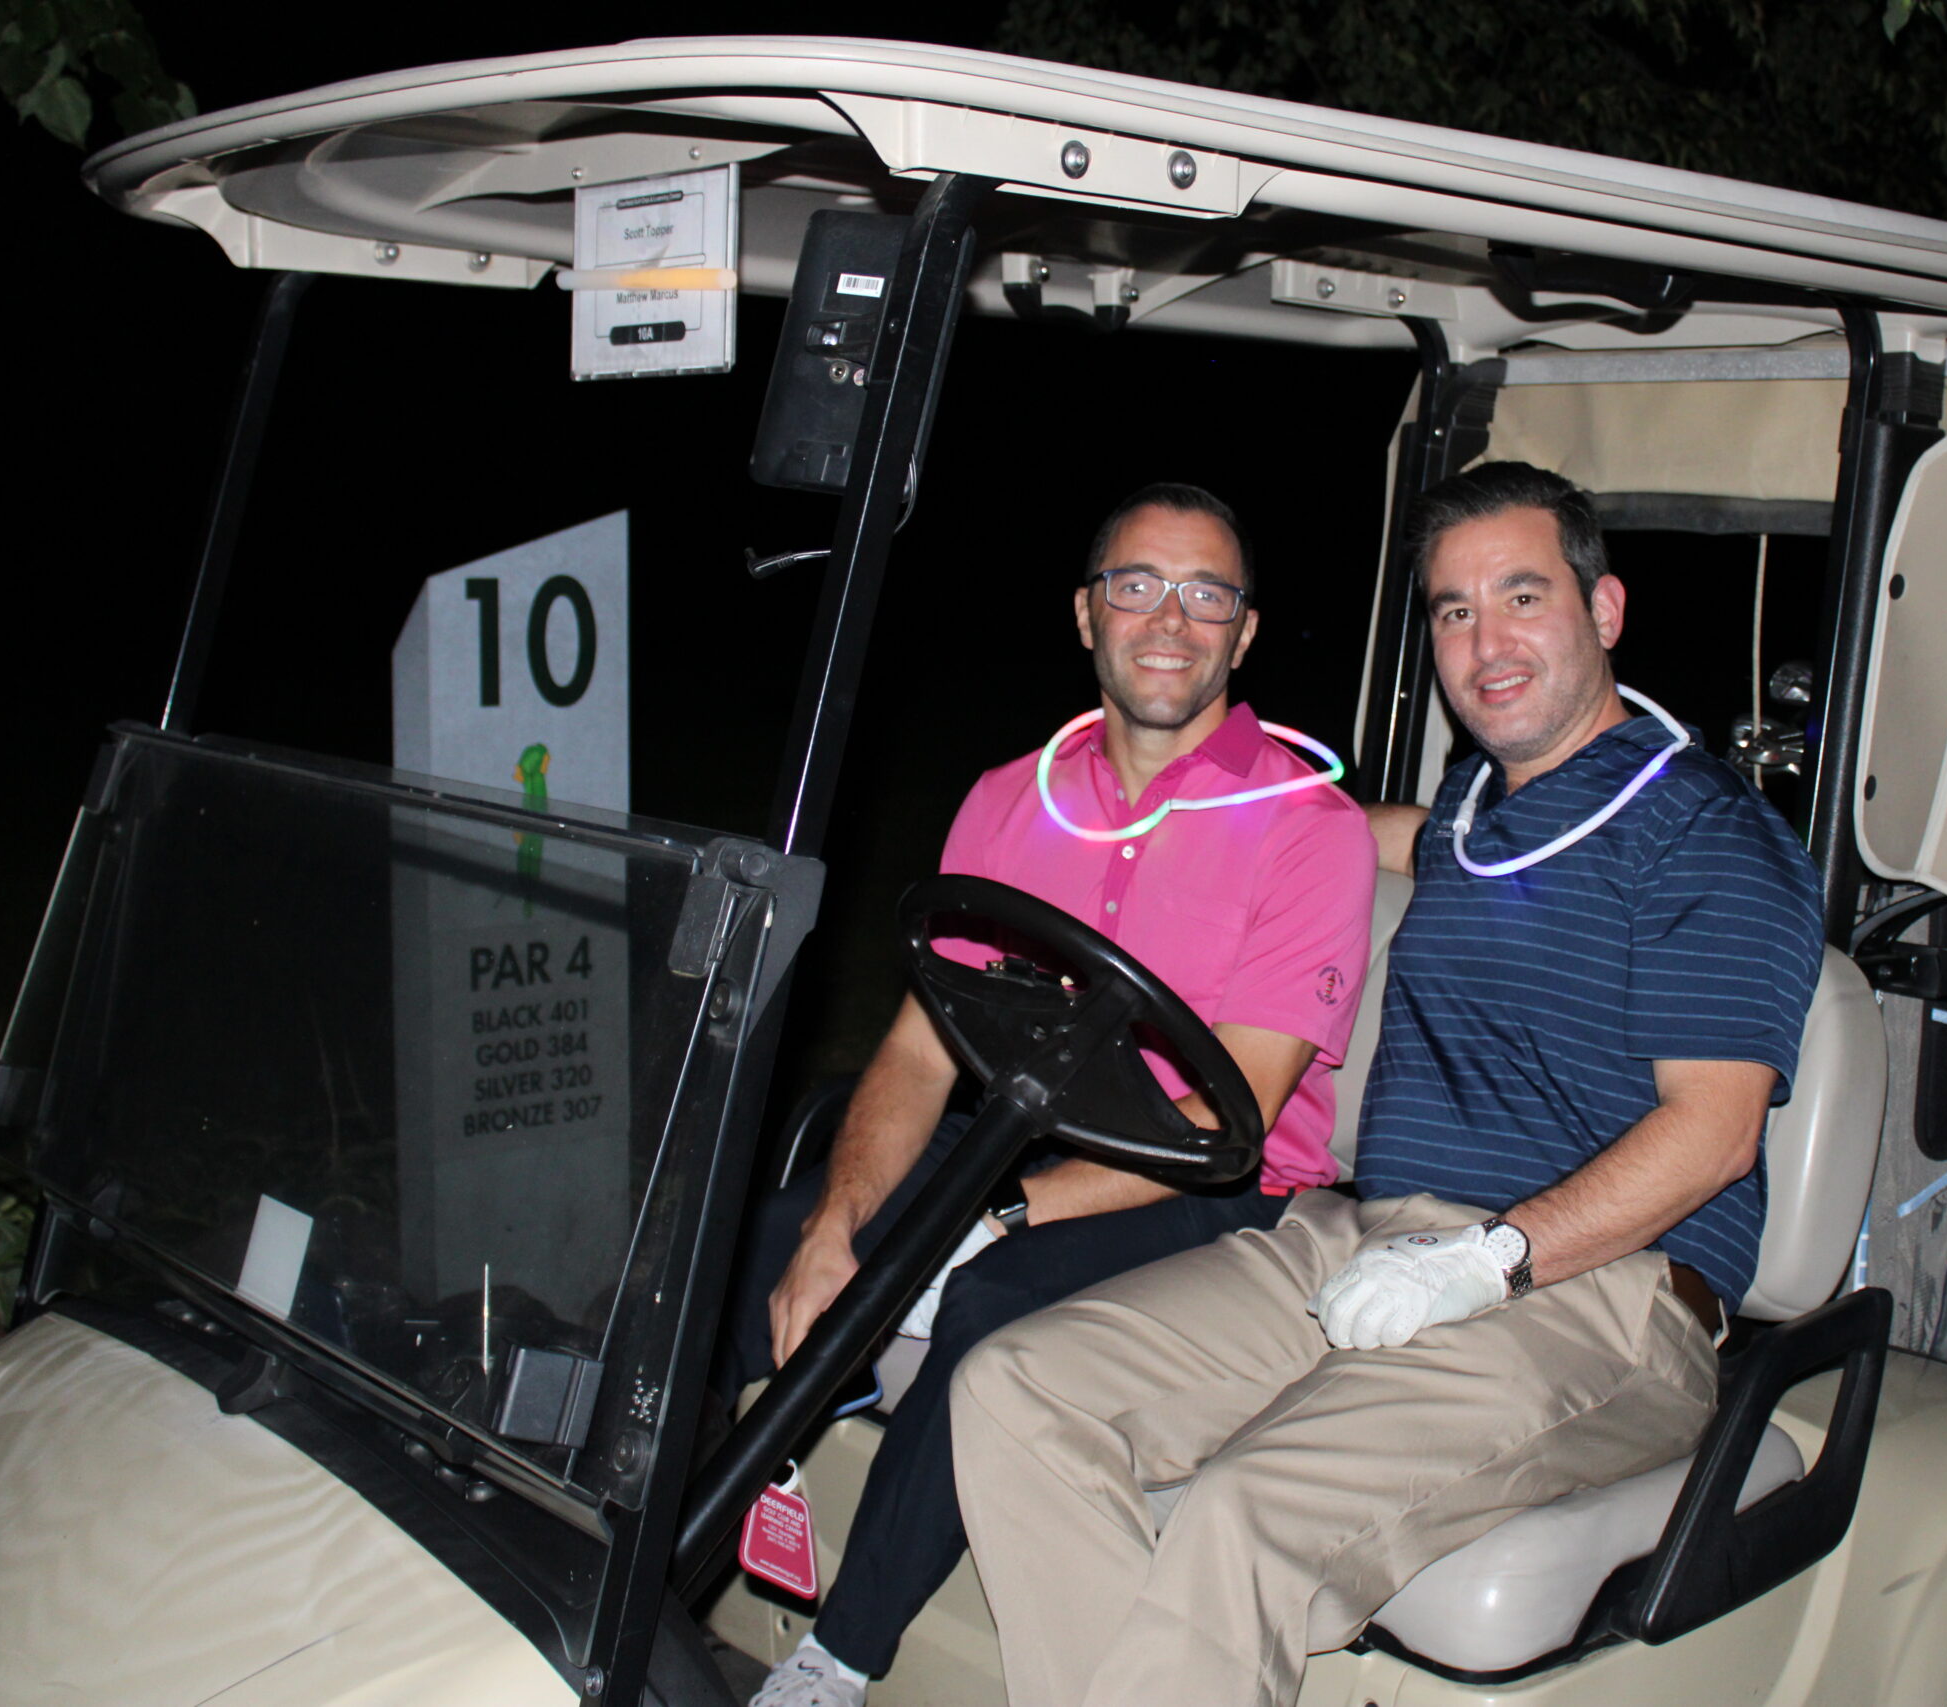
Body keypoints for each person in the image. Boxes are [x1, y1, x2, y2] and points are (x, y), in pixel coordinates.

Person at [948, 462, 1824, 1707]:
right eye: (1453, 610)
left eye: (1523, 597)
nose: (1486, 641)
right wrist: (1209, 822)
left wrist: (1487, 1261)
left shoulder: (1705, 839)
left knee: (1245, 1511)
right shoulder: (1485, 807)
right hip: (1361, 1240)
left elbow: (1713, 1136)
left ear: (1606, 612)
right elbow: (1387, 836)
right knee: (1015, 1391)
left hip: (1590, 1294)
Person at [729, 483, 1378, 1707]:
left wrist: (984, 1223)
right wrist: (831, 1224)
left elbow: (1216, 1125)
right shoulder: (1007, 799)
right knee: (752, 1239)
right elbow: (922, 1053)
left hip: (1205, 1188)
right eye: (1136, 585)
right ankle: (632, 1538)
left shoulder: (1305, 829)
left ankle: (838, 1660)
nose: (1168, 621)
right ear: (1087, 614)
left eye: (1206, 595)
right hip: (1015, 1139)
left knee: (990, 1306)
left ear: (1243, 634)